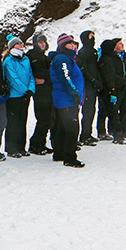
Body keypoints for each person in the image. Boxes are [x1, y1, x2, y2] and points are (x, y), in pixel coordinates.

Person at [49, 34, 86, 167]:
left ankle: (59, 153)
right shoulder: (62, 58)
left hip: (67, 98)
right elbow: (65, 78)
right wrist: (74, 93)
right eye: (70, 43)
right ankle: (70, 157)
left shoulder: (68, 58)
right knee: (72, 128)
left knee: (62, 127)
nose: (74, 45)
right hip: (66, 99)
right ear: (63, 46)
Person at [3, 36, 34, 157]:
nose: (21, 45)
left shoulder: (25, 59)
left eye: (21, 43)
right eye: (17, 44)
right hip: (14, 95)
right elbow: (12, 78)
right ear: (12, 47)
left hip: (25, 95)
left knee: (22, 121)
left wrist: (31, 89)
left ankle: (21, 147)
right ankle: (11, 149)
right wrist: (24, 90)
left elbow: (31, 75)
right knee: (13, 122)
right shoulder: (8, 61)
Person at [27, 33, 54, 155]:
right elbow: (38, 72)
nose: (42, 44)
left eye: (44, 42)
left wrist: (47, 76)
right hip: (40, 93)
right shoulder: (32, 55)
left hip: (47, 91)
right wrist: (49, 75)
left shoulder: (45, 57)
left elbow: (47, 74)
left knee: (47, 119)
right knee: (43, 119)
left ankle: (41, 143)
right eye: (40, 42)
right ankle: (35, 144)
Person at [98, 38, 126, 142]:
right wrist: (112, 91)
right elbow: (109, 77)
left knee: (108, 112)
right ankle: (118, 136)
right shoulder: (107, 60)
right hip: (108, 89)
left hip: (106, 89)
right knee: (113, 113)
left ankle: (104, 132)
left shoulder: (106, 58)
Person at [76, 30, 102, 145]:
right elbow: (84, 69)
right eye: (90, 37)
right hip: (87, 85)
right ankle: (84, 135)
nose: (93, 39)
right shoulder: (83, 52)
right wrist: (92, 80)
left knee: (92, 110)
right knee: (87, 111)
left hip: (94, 85)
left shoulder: (93, 51)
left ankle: (89, 133)